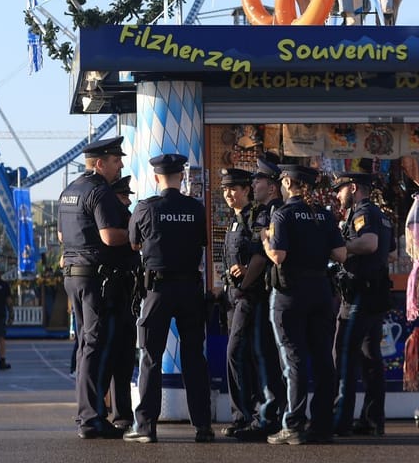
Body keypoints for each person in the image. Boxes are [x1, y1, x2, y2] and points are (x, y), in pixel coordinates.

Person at [123, 154, 213, 444]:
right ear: (181, 177)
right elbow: (203, 242)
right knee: (194, 358)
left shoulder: (146, 207)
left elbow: (134, 242)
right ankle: (203, 426)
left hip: (157, 291)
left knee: (150, 356)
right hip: (190, 290)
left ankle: (146, 426)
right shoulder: (195, 209)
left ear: (156, 177)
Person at [57, 135, 134, 440]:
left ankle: (88, 414)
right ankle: (91, 418)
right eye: (116, 161)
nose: (120, 165)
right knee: (96, 345)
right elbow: (109, 237)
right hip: (94, 279)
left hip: (72, 275)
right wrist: (139, 236)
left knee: (85, 346)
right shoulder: (99, 191)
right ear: (100, 163)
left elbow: (63, 237)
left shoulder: (69, 191)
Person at [264, 165, 346, 445]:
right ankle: (322, 425)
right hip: (321, 290)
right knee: (324, 358)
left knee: (293, 359)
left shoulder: (283, 214)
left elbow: (278, 255)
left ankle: (293, 424)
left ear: (288, 182)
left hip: (291, 292)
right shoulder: (323, 214)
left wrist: (265, 240)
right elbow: (341, 253)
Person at [330, 162, 395, 438]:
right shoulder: (380, 214)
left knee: (343, 353)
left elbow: (370, 243)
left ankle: (340, 419)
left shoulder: (364, 213)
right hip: (374, 293)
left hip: (359, 294)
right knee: (370, 357)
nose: (337, 195)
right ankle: (372, 419)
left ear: (353, 188)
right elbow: (389, 250)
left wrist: (342, 248)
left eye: (340, 189)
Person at [220, 166, 280, 440]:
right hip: (233, 297)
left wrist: (244, 280)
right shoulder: (233, 221)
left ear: (246, 190)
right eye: (225, 189)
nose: (228, 193)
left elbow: (259, 256)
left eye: (234, 188)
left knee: (243, 353)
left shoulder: (258, 216)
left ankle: (255, 415)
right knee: (239, 355)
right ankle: (242, 416)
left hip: (251, 295)